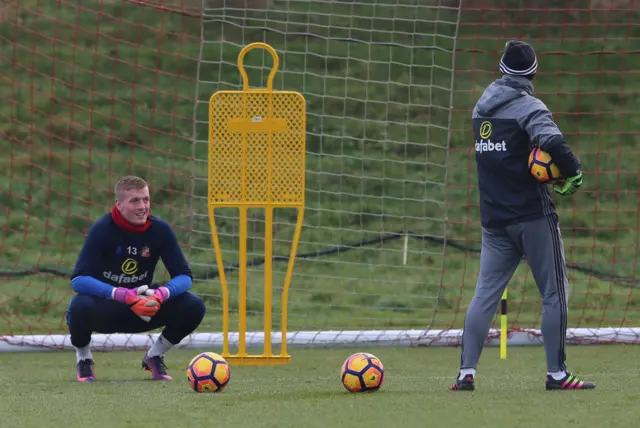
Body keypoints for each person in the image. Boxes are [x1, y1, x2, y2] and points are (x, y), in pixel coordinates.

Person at [449, 40, 595, 391]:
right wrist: (572, 174)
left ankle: (466, 373)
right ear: (532, 74)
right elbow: (553, 143)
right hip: (532, 217)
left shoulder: (479, 110)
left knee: (484, 295)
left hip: (494, 221)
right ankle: (557, 374)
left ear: (501, 68)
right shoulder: (530, 107)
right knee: (554, 294)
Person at [66, 175, 206, 382]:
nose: (143, 207)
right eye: (135, 201)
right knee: (79, 306)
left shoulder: (160, 231)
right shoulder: (102, 230)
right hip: (107, 309)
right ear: (119, 204)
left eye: (146, 199)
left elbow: (184, 277)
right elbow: (78, 280)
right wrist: (122, 295)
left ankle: (154, 356)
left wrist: (160, 294)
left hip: (144, 310)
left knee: (194, 305)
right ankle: (84, 359)